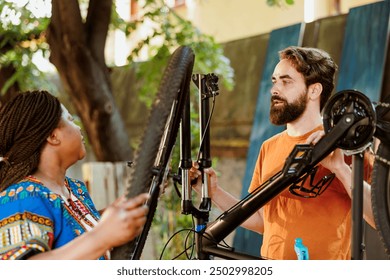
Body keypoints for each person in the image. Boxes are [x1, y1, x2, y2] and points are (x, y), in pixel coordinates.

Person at [190, 46, 375, 260]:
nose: (275, 89)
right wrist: (214, 192)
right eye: (274, 81)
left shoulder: (346, 144)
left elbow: (377, 218)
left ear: (314, 90)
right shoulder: (268, 147)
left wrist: (340, 168)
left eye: (286, 82)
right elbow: (262, 221)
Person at [0, 90, 149, 260]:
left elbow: (71, 231)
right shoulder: (22, 196)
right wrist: (102, 236)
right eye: (70, 120)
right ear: (53, 136)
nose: (78, 127)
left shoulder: (74, 189)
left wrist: (117, 211)